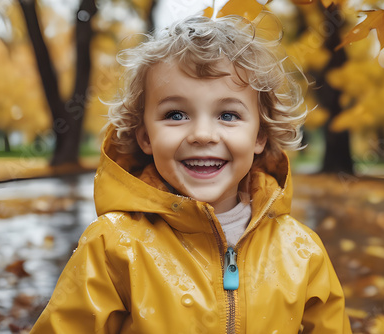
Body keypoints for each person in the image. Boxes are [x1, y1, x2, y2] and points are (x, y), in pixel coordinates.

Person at [30, 13, 351, 334]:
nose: (202, 134)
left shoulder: (302, 251)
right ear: (145, 137)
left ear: (259, 137)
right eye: (176, 114)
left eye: (227, 114)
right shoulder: (112, 247)